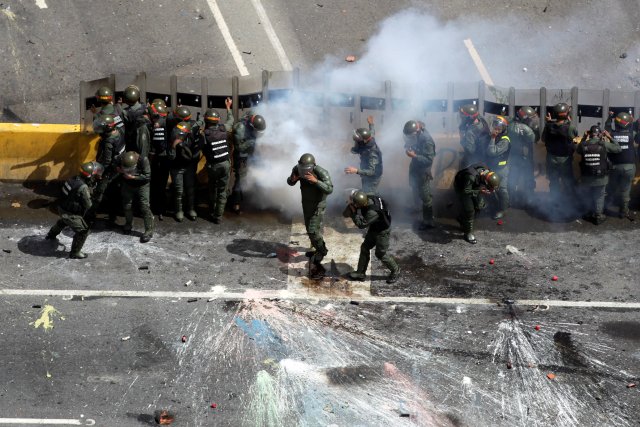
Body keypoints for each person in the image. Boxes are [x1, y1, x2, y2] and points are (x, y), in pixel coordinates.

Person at [287, 153, 333, 278]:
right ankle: (316, 248)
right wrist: (293, 180)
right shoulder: (297, 169)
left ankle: (322, 251)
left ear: (313, 166)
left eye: (306, 169)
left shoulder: (321, 172)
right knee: (309, 229)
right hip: (306, 204)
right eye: (302, 168)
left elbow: (329, 189)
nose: (304, 172)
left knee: (313, 230)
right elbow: (289, 181)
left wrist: (316, 181)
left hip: (317, 205)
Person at [45, 161, 104, 259]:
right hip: (70, 213)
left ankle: (51, 235)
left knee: (63, 221)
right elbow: (88, 205)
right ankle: (75, 253)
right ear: (89, 175)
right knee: (83, 231)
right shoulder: (83, 187)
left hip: (62, 208)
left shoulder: (73, 179)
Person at [343, 190, 400, 284]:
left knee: (380, 254)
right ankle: (360, 273)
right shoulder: (367, 196)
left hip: (382, 232)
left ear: (360, 204)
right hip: (374, 228)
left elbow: (361, 225)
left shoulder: (372, 212)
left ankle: (396, 270)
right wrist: (352, 199)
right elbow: (356, 195)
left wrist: (354, 213)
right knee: (365, 247)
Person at [575, 125, 621, 225]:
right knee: (599, 195)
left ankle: (588, 212)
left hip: (586, 176)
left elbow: (578, 150)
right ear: (600, 134)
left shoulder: (583, 144)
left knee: (588, 193)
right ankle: (598, 215)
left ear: (590, 134)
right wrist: (610, 137)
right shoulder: (603, 144)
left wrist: (584, 137)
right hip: (601, 177)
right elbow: (618, 149)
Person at [202, 98, 234, 223]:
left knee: (212, 188)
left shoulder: (205, 134)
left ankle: (212, 210)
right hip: (225, 164)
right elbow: (231, 121)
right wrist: (228, 107)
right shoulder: (223, 129)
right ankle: (218, 216)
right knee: (222, 190)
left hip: (212, 166)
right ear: (218, 120)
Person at [541, 102, 579, 209]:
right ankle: (569, 201)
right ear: (567, 114)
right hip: (565, 159)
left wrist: (548, 122)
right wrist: (570, 123)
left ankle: (555, 201)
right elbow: (575, 135)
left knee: (553, 181)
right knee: (567, 180)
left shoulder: (548, 126)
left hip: (551, 157)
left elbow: (543, 139)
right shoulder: (569, 127)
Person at [90, 114, 125, 226]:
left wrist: (100, 173)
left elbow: (106, 161)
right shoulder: (119, 131)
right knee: (114, 191)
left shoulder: (108, 142)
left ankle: (91, 214)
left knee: (99, 191)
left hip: (110, 169)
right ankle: (113, 212)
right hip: (118, 167)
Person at [453, 164, 501, 244]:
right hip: (462, 188)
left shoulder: (488, 172)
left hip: (475, 186)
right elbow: (466, 191)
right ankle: (468, 233)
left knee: (480, 205)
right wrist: (480, 191)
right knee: (469, 210)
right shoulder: (471, 177)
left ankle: (462, 219)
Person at [403, 119, 437, 229]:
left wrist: (414, 156)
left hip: (423, 172)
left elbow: (428, 160)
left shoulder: (427, 140)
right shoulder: (417, 133)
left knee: (426, 197)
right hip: (415, 168)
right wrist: (409, 146)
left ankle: (428, 221)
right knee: (414, 187)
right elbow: (411, 141)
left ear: (416, 130)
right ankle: (417, 207)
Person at [230, 112, 266, 213]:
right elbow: (238, 147)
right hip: (241, 157)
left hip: (251, 153)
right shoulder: (239, 128)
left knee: (259, 172)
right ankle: (235, 203)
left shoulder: (254, 117)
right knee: (240, 179)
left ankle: (256, 199)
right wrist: (252, 142)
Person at [604, 111, 637, 219]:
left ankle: (604, 207)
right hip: (628, 167)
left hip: (614, 167)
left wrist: (610, 117)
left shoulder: (611, 134)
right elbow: (634, 125)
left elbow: (607, 126)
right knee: (625, 190)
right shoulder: (632, 134)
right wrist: (631, 119)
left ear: (617, 124)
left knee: (610, 188)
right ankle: (624, 211)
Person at [117, 151, 154, 242]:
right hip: (128, 184)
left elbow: (147, 176)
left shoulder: (143, 160)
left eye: (130, 168)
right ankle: (128, 224)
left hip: (142, 185)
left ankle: (149, 230)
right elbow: (115, 165)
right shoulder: (121, 158)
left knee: (144, 207)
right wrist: (119, 169)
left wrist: (133, 177)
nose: (129, 170)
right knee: (127, 205)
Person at [168, 121, 200, 221]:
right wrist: (173, 146)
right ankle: (179, 210)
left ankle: (191, 209)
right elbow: (170, 157)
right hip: (176, 168)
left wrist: (184, 147)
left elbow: (193, 155)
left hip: (188, 167)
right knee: (179, 191)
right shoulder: (172, 138)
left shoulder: (191, 138)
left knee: (190, 189)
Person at [507, 106, 538, 208]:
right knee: (528, 177)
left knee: (513, 176)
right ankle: (529, 198)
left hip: (513, 155)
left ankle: (511, 198)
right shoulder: (526, 129)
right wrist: (535, 128)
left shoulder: (510, 124)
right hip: (525, 156)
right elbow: (535, 139)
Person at [344, 115, 383, 195]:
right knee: (365, 189)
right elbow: (372, 132)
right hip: (366, 171)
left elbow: (372, 171)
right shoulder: (369, 138)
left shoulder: (372, 153)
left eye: (358, 139)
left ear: (364, 140)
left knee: (368, 194)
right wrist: (371, 124)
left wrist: (356, 171)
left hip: (373, 178)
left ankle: (375, 204)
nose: (356, 140)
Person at [148, 100, 171, 220]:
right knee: (162, 184)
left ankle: (156, 208)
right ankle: (162, 210)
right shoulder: (168, 120)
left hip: (158, 158)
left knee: (155, 184)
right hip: (166, 158)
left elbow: (156, 144)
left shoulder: (157, 124)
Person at [485, 116, 511, 219]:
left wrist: (492, 138)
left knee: (502, 190)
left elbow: (492, 152)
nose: (496, 128)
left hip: (501, 169)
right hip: (492, 167)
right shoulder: (494, 136)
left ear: (504, 128)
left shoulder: (505, 140)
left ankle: (503, 210)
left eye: (499, 127)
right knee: (490, 187)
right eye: (495, 125)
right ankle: (493, 206)